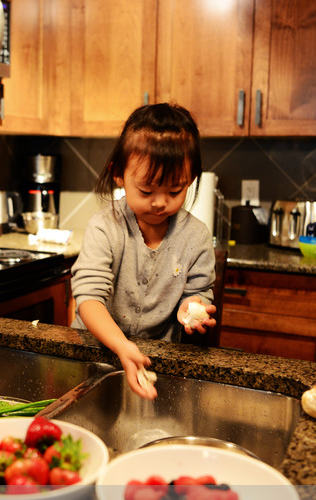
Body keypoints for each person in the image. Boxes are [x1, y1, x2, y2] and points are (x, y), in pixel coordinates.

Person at [70, 103, 217, 400]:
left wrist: (193, 308)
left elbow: (198, 291)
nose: (160, 203)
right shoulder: (105, 226)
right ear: (119, 174)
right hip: (95, 355)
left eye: (175, 191)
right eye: (147, 191)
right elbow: (88, 299)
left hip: (154, 362)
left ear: (191, 179)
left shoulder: (196, 236)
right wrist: (122, 345)